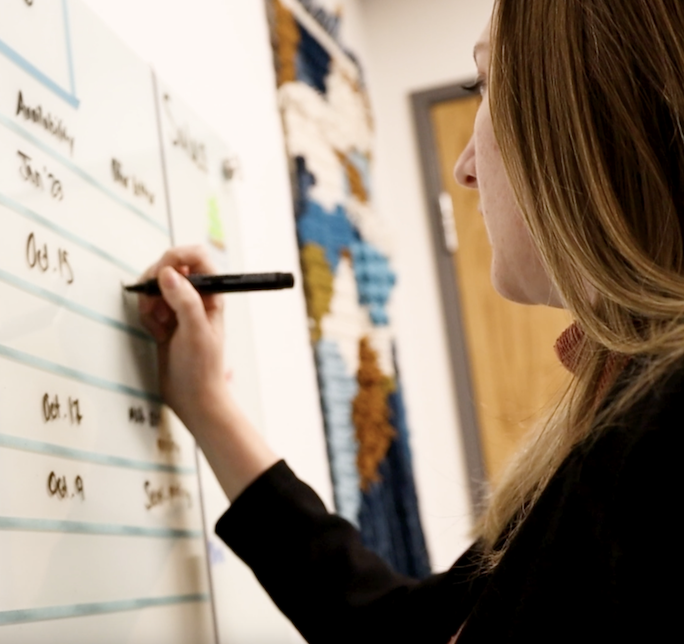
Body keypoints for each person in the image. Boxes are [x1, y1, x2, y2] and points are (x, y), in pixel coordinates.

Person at [138, 1, 682, 641]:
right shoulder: (618, 405)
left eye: (484, 86)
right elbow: (407, 630)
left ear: (588, 117)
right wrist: (206, 403)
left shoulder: (662, 427)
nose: (465, 168)